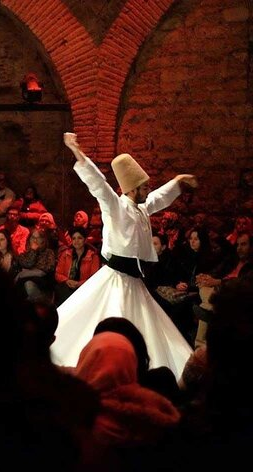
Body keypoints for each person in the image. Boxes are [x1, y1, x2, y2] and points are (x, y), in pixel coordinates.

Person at [51, 132, 197, 379]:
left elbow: (158, 198)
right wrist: (77, 152)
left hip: (135, 281)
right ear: (132, 189)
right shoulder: (116, 207)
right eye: (144, 187)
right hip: (115, 278)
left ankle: (138, 369)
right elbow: (98, 185)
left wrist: (178, 182)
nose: (148, 190)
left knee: (145, 327)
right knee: (114, 320)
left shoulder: (141, 207)